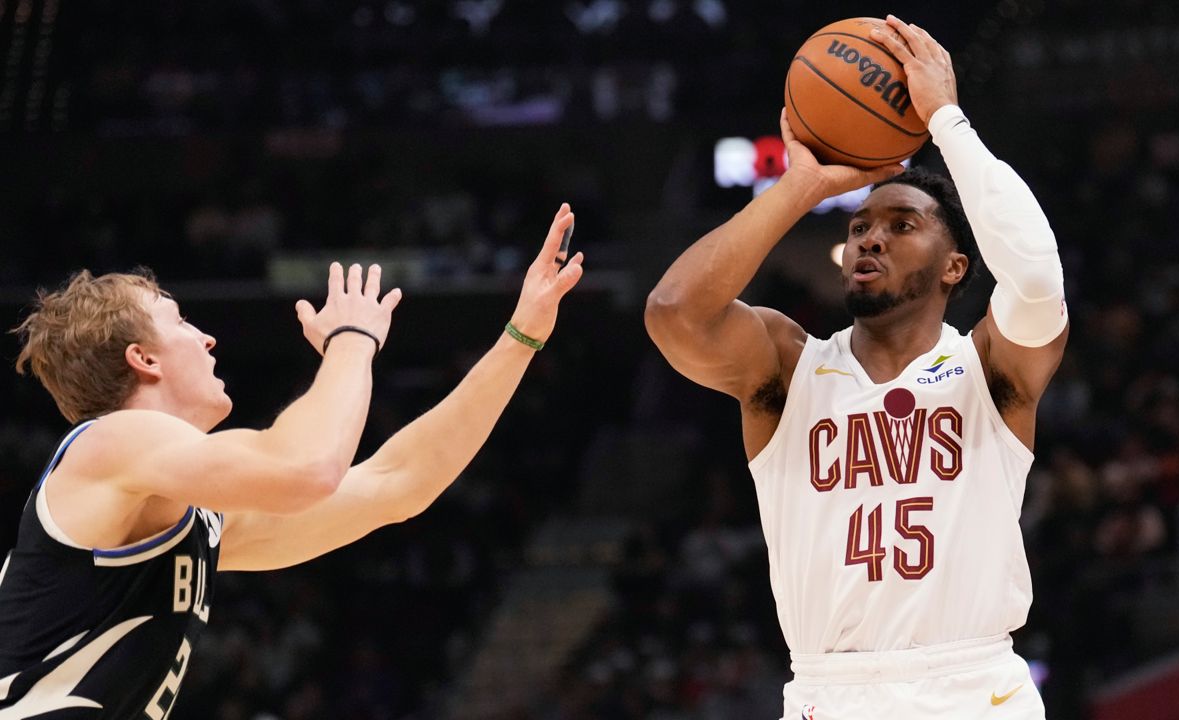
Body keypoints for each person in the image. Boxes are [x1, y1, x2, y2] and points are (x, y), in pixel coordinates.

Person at [0, 204, 585, 720]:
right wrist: (352, 340)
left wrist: (521, 336)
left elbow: (397, 484)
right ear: (143, 358)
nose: (206, 338)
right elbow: (308, 469)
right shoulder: (107, 444)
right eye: (180, 321)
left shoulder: (188, 519)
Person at [645, 16, 1067, 720]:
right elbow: (673, 313)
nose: (872, 236)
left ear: (954, 267)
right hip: (828, 692)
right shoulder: (787, 366)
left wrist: (946, 121)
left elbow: (1037, 280)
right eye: (860, 226)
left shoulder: (991, 367)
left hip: (972, 685)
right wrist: (799, 188)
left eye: (902, 225)